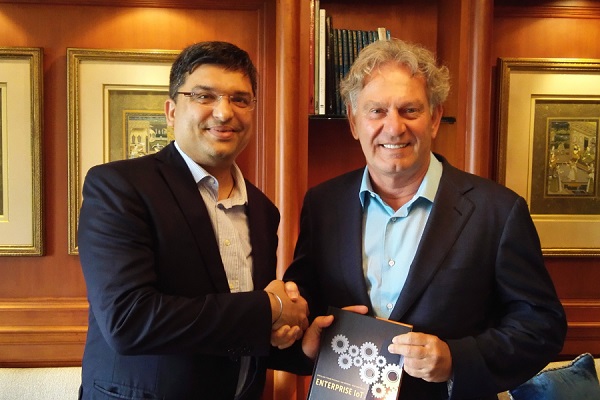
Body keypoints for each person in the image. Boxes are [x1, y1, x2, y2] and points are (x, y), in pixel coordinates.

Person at [284, 38, 567, 399]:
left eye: (410, 110)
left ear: (434, 118)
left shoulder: (498, 211)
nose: (394, 127)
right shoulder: (323, 205)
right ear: (354, 121)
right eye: (376, 111)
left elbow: (541, 327)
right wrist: (306, 338)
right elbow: (303, 305)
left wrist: (455, 360)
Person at [78, 41, 309, 400]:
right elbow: (128, 321)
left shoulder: (264, 210)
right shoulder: (119, 186)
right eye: (204, 96)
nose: (224, 112)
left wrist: (293, 337)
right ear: (171, 111)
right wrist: (271, 307)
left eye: (240, 99)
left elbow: (241, 333)